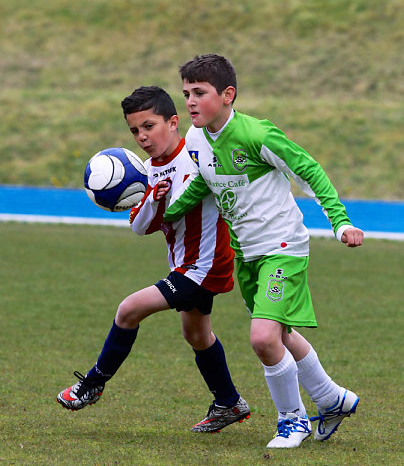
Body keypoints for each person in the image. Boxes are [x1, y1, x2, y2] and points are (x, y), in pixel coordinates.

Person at [164, 54, 364, 448]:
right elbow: (206, 183)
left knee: (262, 337)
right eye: (186, 93)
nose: (189, 102)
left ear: (227, 95)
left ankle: (292, 421)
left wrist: (340, 222)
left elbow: (308, 170)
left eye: (199, 93)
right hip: (248, 253)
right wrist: (168, 211)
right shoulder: (195, 139)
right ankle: (332, 399)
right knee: (280, 334)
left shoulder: (257, 135)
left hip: (283, 247)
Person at [57, 85, 250, 433]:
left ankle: (92, 383)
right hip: (185, 265)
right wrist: (153, 199)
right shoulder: (145, 170)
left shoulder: (195, 158)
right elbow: (141, 227)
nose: (142, 137)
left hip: (203, 267)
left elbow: (187, 203)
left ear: (173, 122)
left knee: (129, 309)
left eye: (149, 126)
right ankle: (228, 402)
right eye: (134, 130)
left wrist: (164, 201)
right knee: (197, 335)